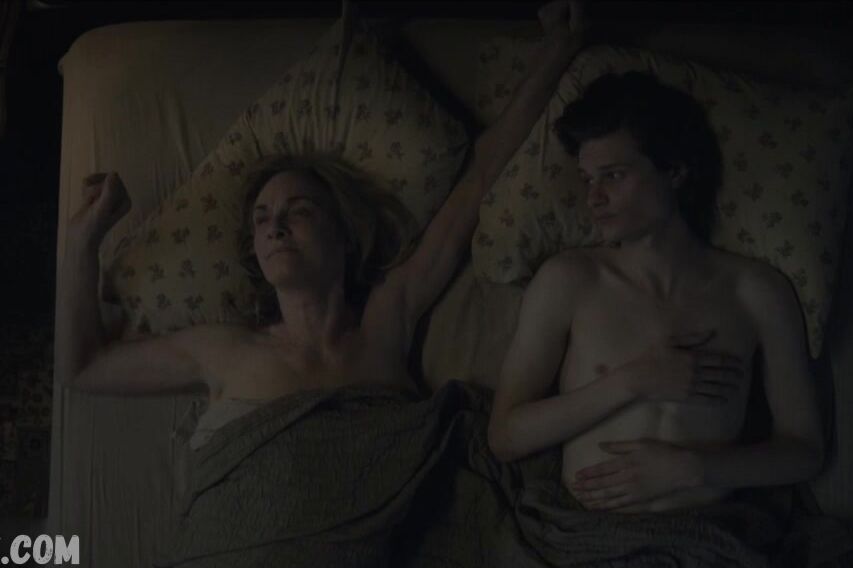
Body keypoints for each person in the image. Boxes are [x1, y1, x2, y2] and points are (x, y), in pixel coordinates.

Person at [56, 2, 588, 427]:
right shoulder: (221, 348)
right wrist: (81, 241)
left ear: (344, 235)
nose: (274, 226)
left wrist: (558, 50)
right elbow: (84, 368)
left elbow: (480, 176)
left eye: (299, 210)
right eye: (261, 218)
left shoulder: (387, 319)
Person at [488, 71, 825, 513]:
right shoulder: (569, 279)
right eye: (588, 179)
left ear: (674, 171)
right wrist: (632, 381)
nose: (594, 198)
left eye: (613, 175)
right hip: (583, 534)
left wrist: (695, 468)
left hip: (705, 532)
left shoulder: (757, 290)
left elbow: (805, 451)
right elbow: (505, 438)